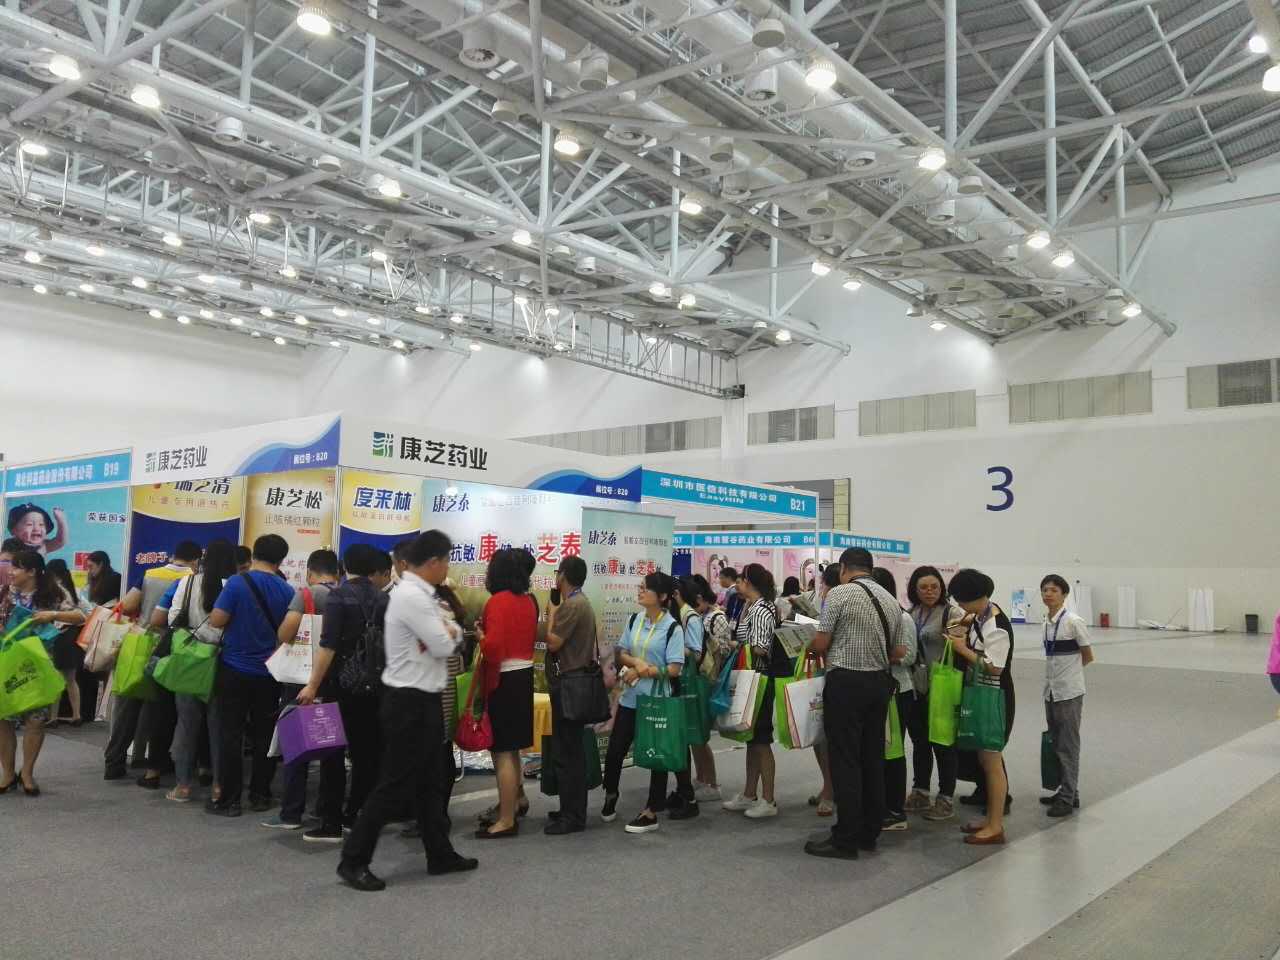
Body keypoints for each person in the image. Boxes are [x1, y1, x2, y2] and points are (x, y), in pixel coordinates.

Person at [337, 530, 477, 892]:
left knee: (431, 783)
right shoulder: (412, 597)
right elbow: (445, 643)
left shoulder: (422, 594)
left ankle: (439, 853)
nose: (447, 568)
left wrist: (449, 632)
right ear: (433, 562)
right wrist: (451, 633)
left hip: (423, 699)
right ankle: (353, 860)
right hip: (408, 702)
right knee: (393, 785)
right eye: (446, 561)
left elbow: (448, 632)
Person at [804, 547, 906, 860]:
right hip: (878, 684)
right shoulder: (890, 600)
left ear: (845, 568)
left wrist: (808, 645)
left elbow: (821, 642)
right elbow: (898, 651)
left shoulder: (839, 594)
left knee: (845, 759)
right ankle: (868, 832)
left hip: (846, 683)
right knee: (872, 758)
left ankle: (845, 838)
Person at [295, 544, 388, 840]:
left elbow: (328, 646)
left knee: (332, 753)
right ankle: (355, 814)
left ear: (345, 567)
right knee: (366, 754)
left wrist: (312, 685)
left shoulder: (339, 596)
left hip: (341, 684)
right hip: (375, 685)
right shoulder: (384, 598)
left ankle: (331, 821)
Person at [204, 534, 293, 817]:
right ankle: (260, 794)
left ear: (254, 554)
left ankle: (229, 800)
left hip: (234, 668)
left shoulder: (236, 583)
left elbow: (217, 619)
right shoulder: (287, 590)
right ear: (281, 559)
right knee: (264, 734)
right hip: (270, 672)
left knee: (230, 734)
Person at [105, 541, 201, 780]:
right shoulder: (193, 580)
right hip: (171, 648)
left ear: (173, 555)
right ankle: (156, 761)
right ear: (196, 560)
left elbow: (127, 605)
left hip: (140, 644)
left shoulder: (150, 574)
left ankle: (114, 761)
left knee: (128, 706)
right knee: (161, 710)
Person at [599, 572, 686, 833]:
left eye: (645, 588)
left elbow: (675, 669)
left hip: (657, 700)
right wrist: (636, 663)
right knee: (615, 751)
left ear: (662, 596)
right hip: (631, 698)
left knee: (656, 755)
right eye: (640, 587)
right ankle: (611, 793)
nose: (639, 591)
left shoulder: (672, 628)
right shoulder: (635, 619)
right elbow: (622, 652)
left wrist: (646, 672)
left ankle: (651, 811)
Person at [263, 549, 341, 832]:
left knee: (296, 746)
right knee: (330, 745)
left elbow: (286, 633)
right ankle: (326, 811)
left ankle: (291, 812)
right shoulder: (344, 595)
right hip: (334, 679)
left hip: (302, 680)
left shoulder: (307, 594)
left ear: (310, 572)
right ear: (337, 572)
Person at [0, 550, 86, 794]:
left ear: (32, 571)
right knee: (3, 718)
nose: (10, 572)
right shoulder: (4, 592)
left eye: (16, 567)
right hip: (6, 663)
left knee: (36, 720)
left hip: (37, 665)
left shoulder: (53, 593)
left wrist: (53, 614)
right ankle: (7, 774)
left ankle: (27, 773)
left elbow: (81, 615)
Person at [947, 568, 1015, 845]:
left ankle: (996, 826)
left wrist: (962, 649)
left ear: (974, 597)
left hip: (993, 696)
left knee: (992, 762)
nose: (959, 605)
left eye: (961, 600)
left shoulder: (995, 624)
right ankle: (990, 820)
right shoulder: (981, 614)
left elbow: (995, 667)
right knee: (986, 761)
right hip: (982, 693)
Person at [164, 539, 236, 803]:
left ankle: (183, 786)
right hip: (222, 660)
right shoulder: (234, 585)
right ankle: (218, 786)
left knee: (186, 724)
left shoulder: (188, 582)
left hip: (190, 659)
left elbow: (172, 618)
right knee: (219, 727)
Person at [474, 549, 538, 838]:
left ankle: (506, 819)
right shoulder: (528, 601)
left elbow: (494, 648)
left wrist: (480, 637)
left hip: (504, 680)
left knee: (502, 752)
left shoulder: (497, 602)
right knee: (511, 749)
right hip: (522, 677)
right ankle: (515, 802)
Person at [722, 564, 789, 820]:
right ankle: (749, 794)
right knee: (752, 739)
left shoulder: (761, 609)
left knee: (761, 740)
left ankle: (768, 799)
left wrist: (736, 645)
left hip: (759, 678)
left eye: (740, 580)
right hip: (751, 677)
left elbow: (761, 647)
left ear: (749, 582)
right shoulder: (751, 606)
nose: (736, 585)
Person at [543, 555, 599, 835]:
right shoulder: (579, 602)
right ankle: (570, 809)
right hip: (573, 685)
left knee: (568, 753)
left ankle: (573, 816)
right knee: (569, 750)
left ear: (562, 575)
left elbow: (553, 643)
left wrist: (551, 614)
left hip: (569, 686)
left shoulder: (572, 605)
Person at [902, 566, 960, 822]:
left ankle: (946, 798)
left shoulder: (951, 613)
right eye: (923, 587)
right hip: (916, 687)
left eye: (934, 586)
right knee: (920, 742)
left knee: (943, 743)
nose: (929, 591)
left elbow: (961, 647)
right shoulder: (911, 613)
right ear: (914, 590)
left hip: (942, 687)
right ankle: (921, 790)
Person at [1040, 574, 1093, 818]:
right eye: (1045, 590)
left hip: (1069, 692)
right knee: (1056, 742)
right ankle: (1068, 791)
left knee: (1068, 745)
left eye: (1053, 590)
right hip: (1051, 691)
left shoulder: (1073, 621)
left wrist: (1070, 675)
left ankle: (1067, 798)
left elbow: (1088, 656)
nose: (1048, 594)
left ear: (1064, 594)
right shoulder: (1046, 623)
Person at [871, 567, 917, 832]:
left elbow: (908, 656)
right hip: (877, 689)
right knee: (877, 751)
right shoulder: (873, 617)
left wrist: (873, 654)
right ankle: (880, 805)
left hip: (898, 691)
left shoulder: (902, 617)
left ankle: (895, 811)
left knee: (893, 752)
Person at [689, 575, 732, 801]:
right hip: (697, 677)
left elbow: (723, 650)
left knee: (701, 735)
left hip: (708, 679)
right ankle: (701, 777)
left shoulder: (717, 617)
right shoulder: (697, 616)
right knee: (695, 734)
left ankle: (712, 782)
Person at [806, 562, 842, 818]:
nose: (822, 590)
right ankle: (827, 786)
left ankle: (831, 790)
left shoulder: (836, 601)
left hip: (836, 675)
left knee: (830, 738)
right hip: (822, 673)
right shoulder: (827, 603)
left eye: (824, 584)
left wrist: (808, 641)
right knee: (820, 736)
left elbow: (822, 641)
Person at [44, 558, 89, 727]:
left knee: (56, 677)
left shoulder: (55, 590)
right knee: (71, 678)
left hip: (58, 635)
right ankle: (76, 715)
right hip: (72, 635)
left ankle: (53, 717)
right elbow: (88, 610)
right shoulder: (74, 590)